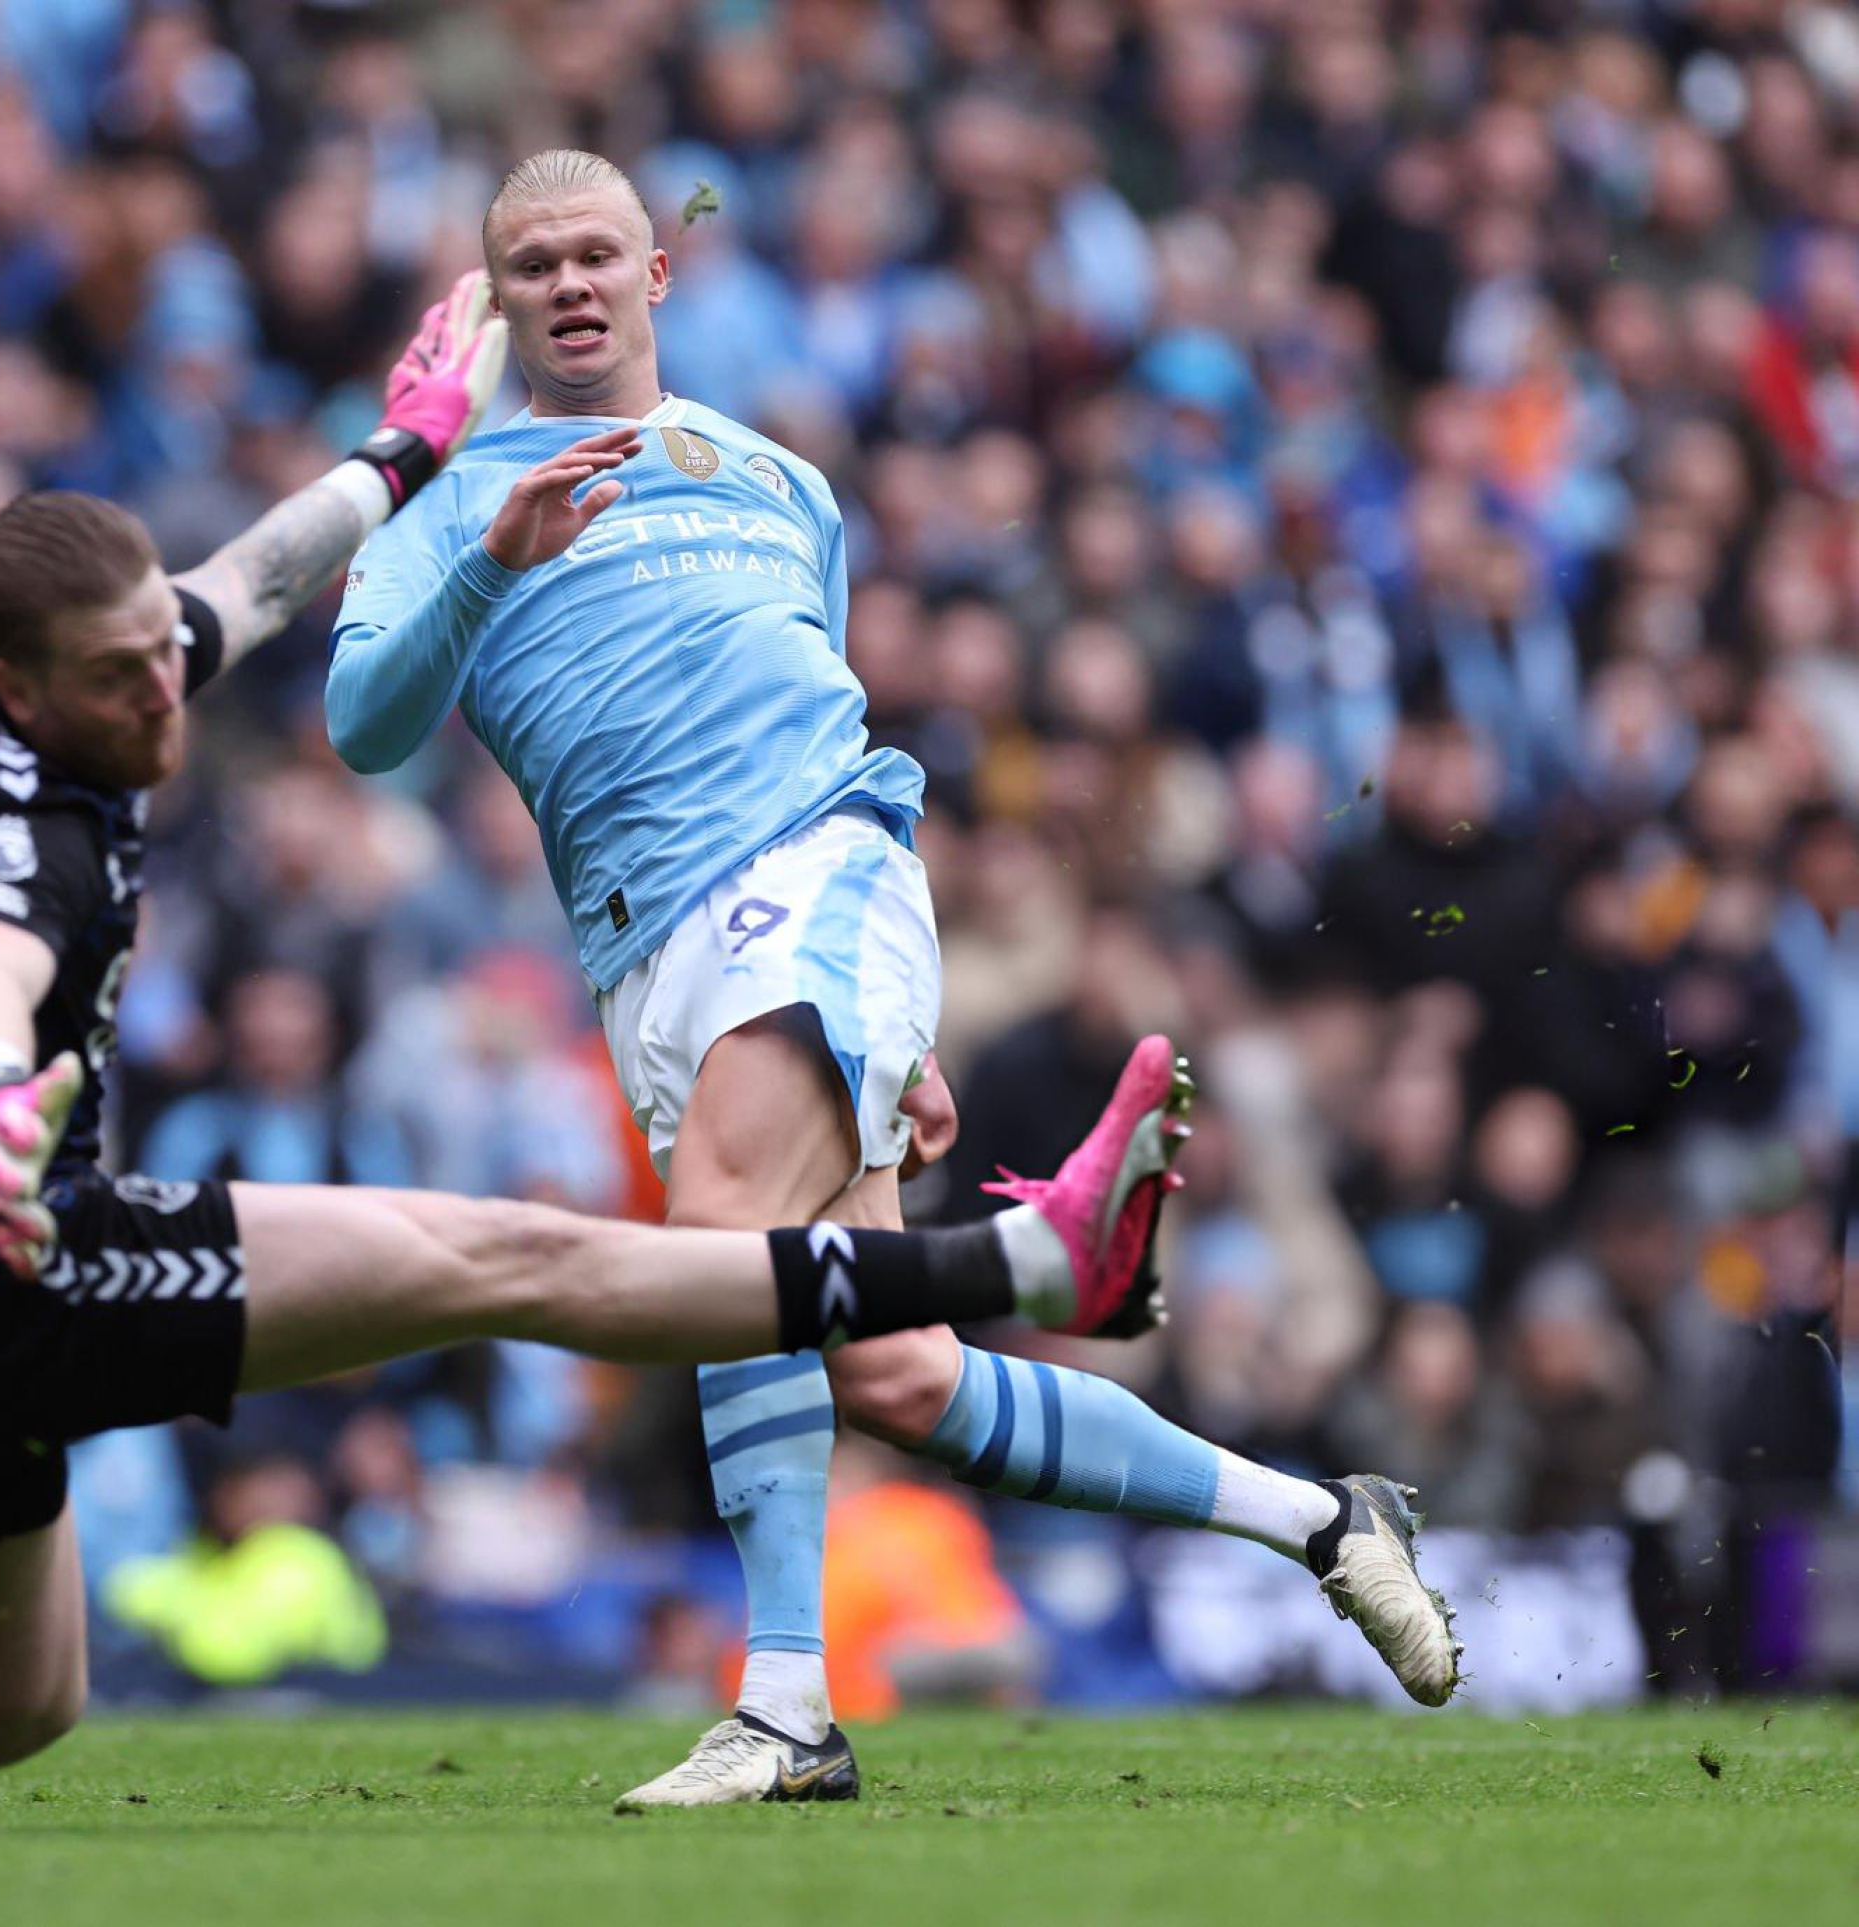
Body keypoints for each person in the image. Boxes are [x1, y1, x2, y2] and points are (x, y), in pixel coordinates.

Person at [0, 279, 1429, 1840]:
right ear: (15, 688)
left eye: (160, 664)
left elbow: (243, 585)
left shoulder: (86, 681)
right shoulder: (18, 831)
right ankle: (1026, 1271)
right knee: (506, 1258)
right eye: (117, 685)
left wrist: (406, 450)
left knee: (4, 1704)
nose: (166, 704)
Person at [324, 153, 1456, 1805]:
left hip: (812, 874)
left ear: (658, 278)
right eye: (530, 264)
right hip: (646, 954)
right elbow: (364, 730)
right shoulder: (437, 504)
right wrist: (492, 553)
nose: (567, 283)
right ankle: (1325, 1521)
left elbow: (824, 724)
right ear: (494, 302)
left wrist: (879, 1007)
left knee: (720, 1232)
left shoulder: (780, 477)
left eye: (595, 254)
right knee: (891, 1371)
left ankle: (785, 1708)